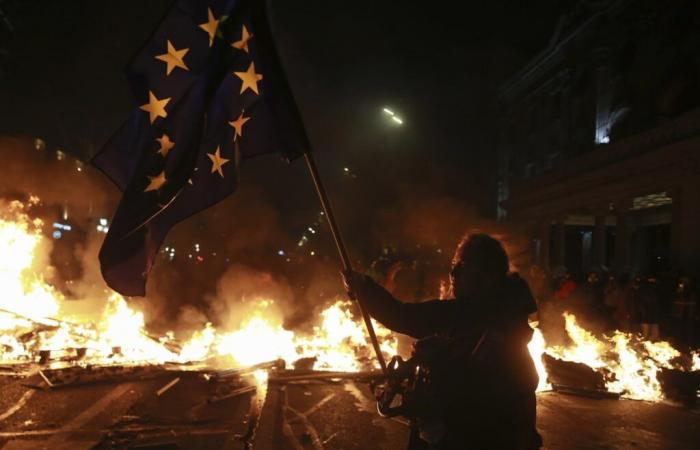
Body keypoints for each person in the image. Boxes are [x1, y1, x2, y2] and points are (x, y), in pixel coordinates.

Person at [342, 233, 542, 449]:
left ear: (488, 274)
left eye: (463, 265)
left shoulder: (479, 318)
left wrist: (443, 428)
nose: (453, 272)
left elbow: (402, 317)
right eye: (454, 263)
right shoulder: (497, 315)